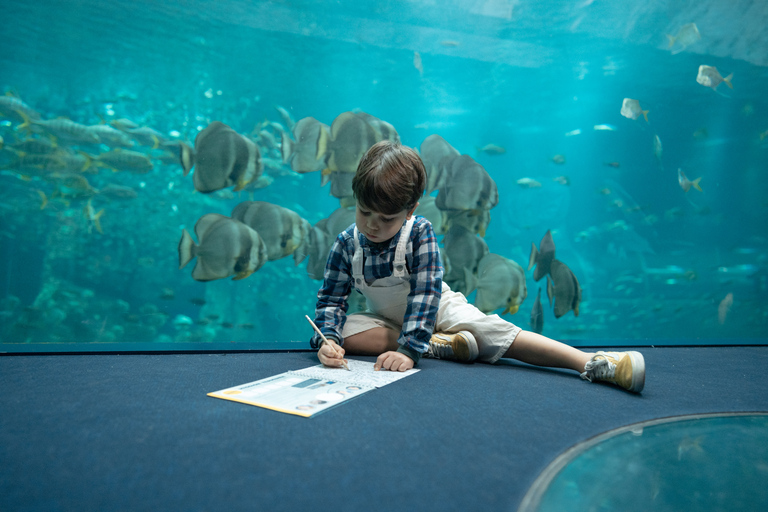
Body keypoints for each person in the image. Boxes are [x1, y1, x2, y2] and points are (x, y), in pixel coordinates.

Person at [310, 140, 645, 393]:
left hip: (437, 309)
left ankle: (591, 362)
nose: (372, 225)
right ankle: (438, 345)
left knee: (493, 333)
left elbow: (426, 294)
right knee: (343, 327)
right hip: (386, 321)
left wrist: (409, 351)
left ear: (410, 209)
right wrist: (329, 339)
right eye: (364, 211)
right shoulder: (346, 243)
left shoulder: (419, 232)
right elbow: (330, 301)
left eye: (386, 219)